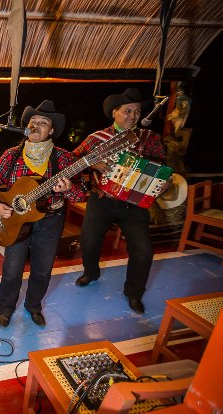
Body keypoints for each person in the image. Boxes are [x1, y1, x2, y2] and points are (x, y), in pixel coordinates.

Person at [0, 100, 87, 327]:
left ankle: (33, 306)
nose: (36, 126)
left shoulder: (65, 159)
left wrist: (69, 189)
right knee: (11, 270)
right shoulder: (12, 155)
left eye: (43, 123)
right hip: (16, 222)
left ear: (52, 130)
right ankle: (6, 308)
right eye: (33, 122)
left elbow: (82, 195)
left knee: (42, 270)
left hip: (50, 221)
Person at [72, 88, 167, 314]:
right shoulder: (96, 139)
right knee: (89, 242)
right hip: (101, 200)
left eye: (136, 111)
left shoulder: (149, 138)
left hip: (134, 205)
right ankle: (91, 272)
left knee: (143, 251)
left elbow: (162, 169)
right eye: (127, 111)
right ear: (114, 113)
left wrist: (164, 183)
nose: (132, 116)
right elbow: (71, 160)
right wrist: (93, 163)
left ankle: (134, 293)